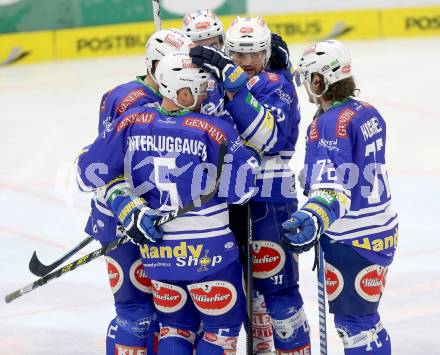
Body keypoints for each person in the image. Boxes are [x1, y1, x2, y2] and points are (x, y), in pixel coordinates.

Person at [76, 52, 260, 355]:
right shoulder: (214, 130)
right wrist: (248, 156)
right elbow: (241, 191)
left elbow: (87, 174)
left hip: (160, 255)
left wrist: (121, 197)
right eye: (195, 89)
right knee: (219, 333)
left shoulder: (130, 122)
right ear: (178, 90)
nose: (202, 95)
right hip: (210, 255)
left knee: (175, 329)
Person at [190, 16, 311, 354]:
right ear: (227, 51)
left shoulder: (277, 85)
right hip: (224, 196)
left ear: (266, 52)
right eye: (238, 55)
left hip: (271, 195)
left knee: (278, 294)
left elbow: (268, 137)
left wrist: (233, 86)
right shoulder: (213, 84)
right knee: (234, 296)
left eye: (254, 54)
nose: (245, 63)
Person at [78, 28, 194, 355]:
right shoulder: (126, 99)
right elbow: (104, 165)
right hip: (121, 217)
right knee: (136, 312)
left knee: (170, 313)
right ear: (154, 62)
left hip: (158, 219)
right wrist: (127, 208)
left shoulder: (182, 94)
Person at [282, 39, 398, 354]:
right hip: (380, 229)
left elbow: (335, 189)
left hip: (352, 237)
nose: (305, 85)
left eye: (307, 77)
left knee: (355, 327)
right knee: (365, 320)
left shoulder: (329, 123)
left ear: (319, 80)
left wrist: (312, 215)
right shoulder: (366, 111)